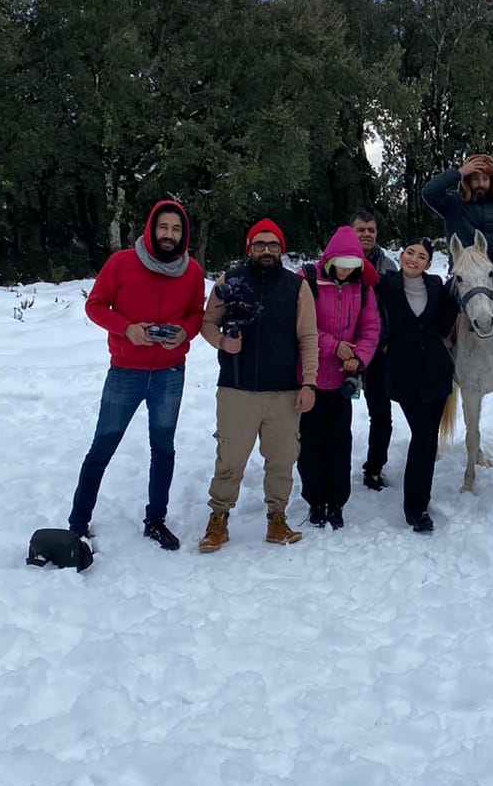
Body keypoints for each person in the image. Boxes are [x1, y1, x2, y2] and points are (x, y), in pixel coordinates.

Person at [68, 200, 206, 550]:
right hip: (126, 371)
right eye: (164, 227)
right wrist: (126, 329)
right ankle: (78, 523)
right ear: (151, 228)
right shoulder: (122, 263)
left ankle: (156, 520)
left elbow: (195, 313)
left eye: (176, 229)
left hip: (170, 373)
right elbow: (95, 305)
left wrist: (184, 333)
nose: (169, 235)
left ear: (184, 233)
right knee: (103, 446)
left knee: (163, 449)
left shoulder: (191, 272)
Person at [196, 219, 319, 553]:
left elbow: (308, 336)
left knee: (281, 458)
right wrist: (221, 341)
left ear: (282, 249)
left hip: (285, 390)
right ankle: (218, 519)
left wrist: (309, 382)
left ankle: (277, 519)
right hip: (237, 388)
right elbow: (207, 322)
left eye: (273, 244)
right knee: (230, 457)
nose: (267, 250)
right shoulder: (228, 282)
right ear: (248, 248)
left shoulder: (297, 286)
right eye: (260, 244)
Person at [296, 225, 381, 528]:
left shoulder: (364, 288)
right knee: (309, 444)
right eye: (341, 266)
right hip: (309, 379)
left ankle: (337, 502)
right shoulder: (308, 282)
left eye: (352, 267)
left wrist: (358, 357)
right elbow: (300, 326)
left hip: (342, 382)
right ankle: (315, 501)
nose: (346, 273)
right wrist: (334, 346)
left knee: (340, 443)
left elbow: (371, 328)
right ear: (330, 261)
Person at [374, 238, 459, 533]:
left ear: (428, 263)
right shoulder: (385, 285)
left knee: (429, 437)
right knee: (423, 434)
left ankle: (422, 497)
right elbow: (371, 317)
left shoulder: (436, 285)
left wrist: (439, 330)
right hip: (404, 375)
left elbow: (452, 309)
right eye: (410, 252)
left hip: (437, 373)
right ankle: (415, 508)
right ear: (400, 256)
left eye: (421, 256)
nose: (414, 258)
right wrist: (383, 342)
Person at [349, 210, 400, 492]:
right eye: (361, 230)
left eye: (371, 230)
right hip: (343, 351)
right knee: (337, 413)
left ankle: (374, 468)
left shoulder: (388, 266)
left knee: (381, 414)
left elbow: (396, 308)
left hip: (380, 351)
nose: (367, 234)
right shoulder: (338, 264)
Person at [422, 154, 493, 275]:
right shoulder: (453, 204)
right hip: (462, 276)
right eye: (475, 179)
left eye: (485, 178)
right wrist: (459, 172)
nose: (480, 183)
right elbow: (429, 192)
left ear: (492, 181)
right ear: (467, 181)